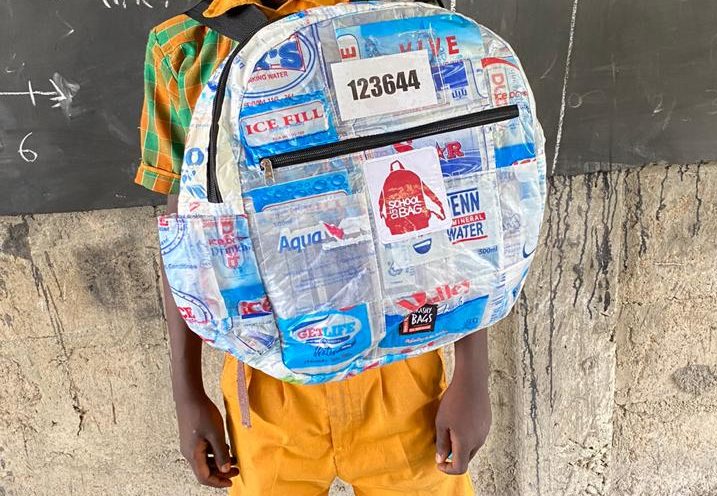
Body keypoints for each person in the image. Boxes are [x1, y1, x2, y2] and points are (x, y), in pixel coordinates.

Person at [136, 1, 492, 494]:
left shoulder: (386, 21)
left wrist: (473, 370)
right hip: (265, 379)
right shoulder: (185, 48)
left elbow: (451, 189)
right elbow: (182, 230)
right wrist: (186, 393)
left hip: (400, 360)